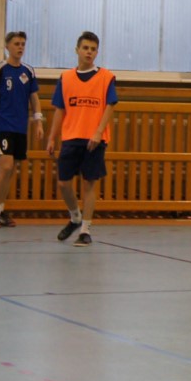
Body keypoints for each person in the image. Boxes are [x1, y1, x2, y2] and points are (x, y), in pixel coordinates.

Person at [45, 31, 117, 248]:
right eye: (85, 48)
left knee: (89, 183)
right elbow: (60, 110)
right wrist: (52, 138)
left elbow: (110, 105)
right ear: (77, 50)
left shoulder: (106, 77)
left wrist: (98, 132)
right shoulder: (66, 78)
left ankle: (85, 229)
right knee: (63, 183)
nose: (89, 52)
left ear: (97, 52)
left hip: (94, 139)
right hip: (71, 136)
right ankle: (75, 217)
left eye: (93, 49)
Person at [0, 30, 44, 228]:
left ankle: (0, 210)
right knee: (5, 166)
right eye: (16, 44)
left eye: (23, 44)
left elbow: (34, 98)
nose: (20, 47)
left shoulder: (28, 71)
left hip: (20, 127)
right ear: (7, 46)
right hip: (3, 124)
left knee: (10, 170)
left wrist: (38, 122)